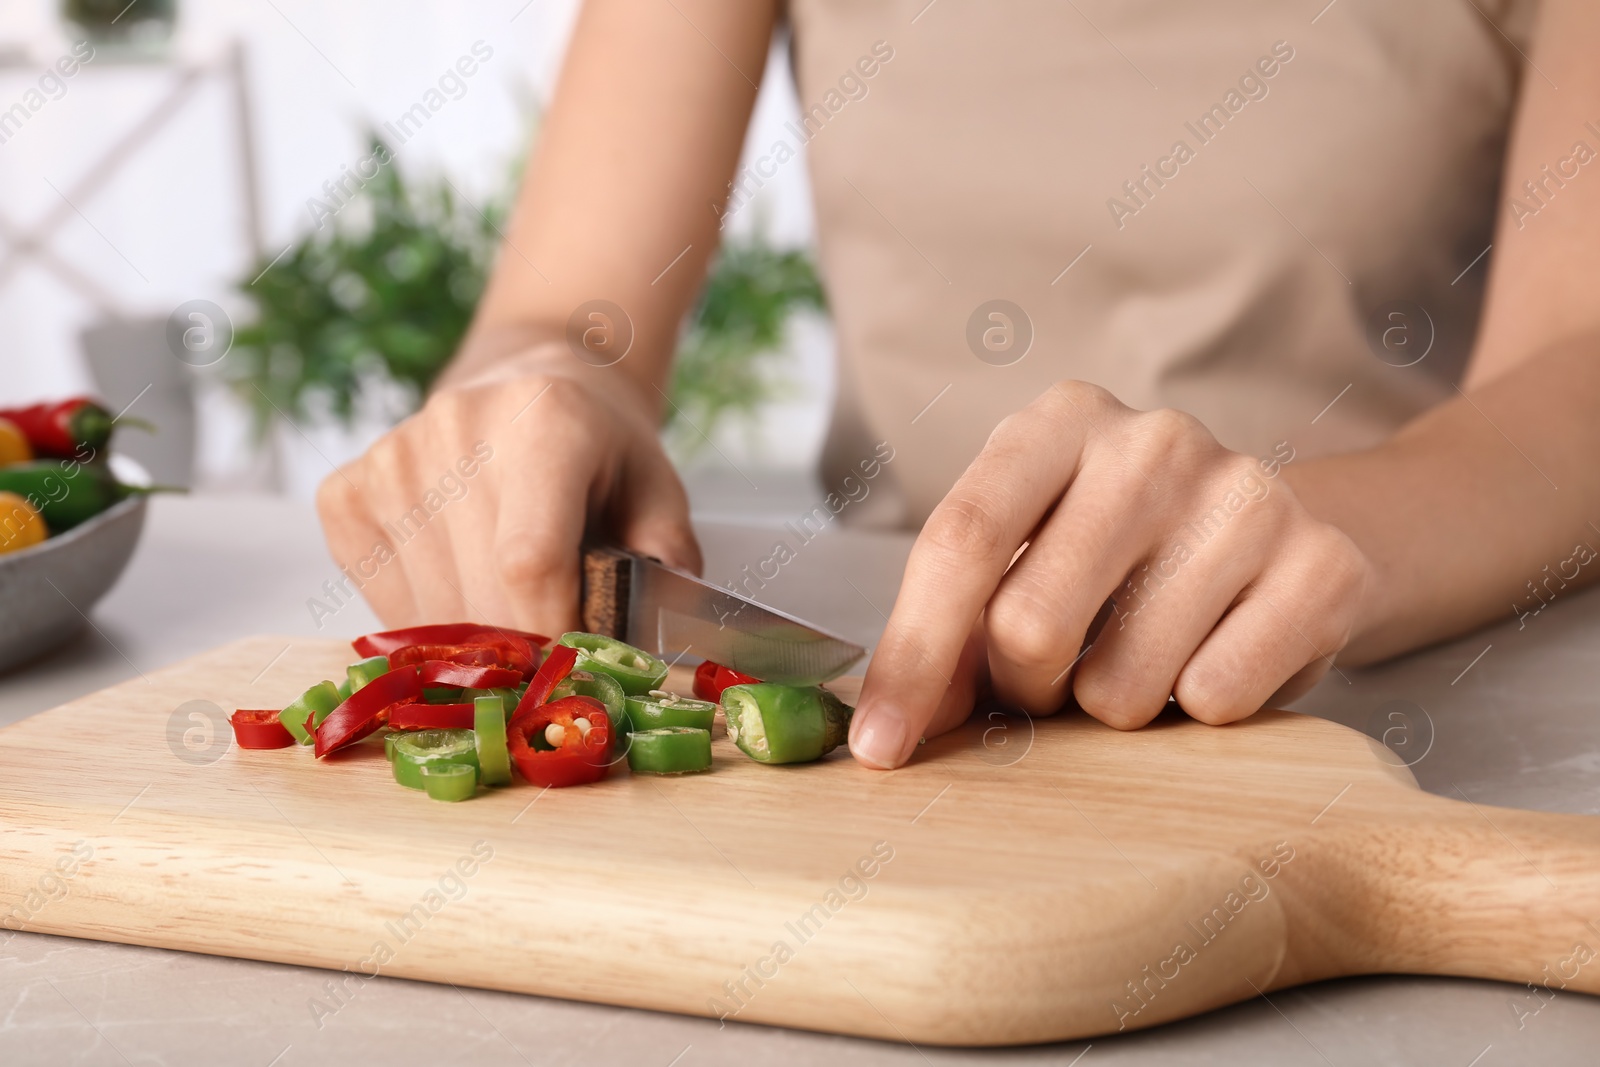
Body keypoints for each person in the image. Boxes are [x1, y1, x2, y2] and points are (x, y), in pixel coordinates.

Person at [318, 0, 1600, 771]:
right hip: (923, 688)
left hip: (1404, 685)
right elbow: (564, 316)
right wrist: (539, 389)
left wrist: (1325, 540)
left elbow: (1577, 368)